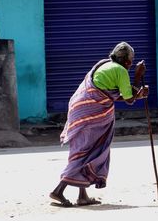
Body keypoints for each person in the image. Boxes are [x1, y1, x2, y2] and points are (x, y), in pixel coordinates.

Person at [49, 42, 149, 207]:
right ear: (128, 62)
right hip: (90, 112)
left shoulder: (104, 64)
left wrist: (137, 92)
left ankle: (82, 196)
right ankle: (58, 190)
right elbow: (129, 99)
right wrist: (138, 78)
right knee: (87, 152)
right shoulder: (121, 71)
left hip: (79, 108)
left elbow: (116, 93)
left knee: (87, 149)